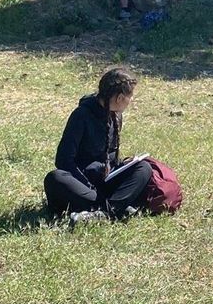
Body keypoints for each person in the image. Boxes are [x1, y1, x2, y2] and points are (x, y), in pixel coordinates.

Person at [43, 67, 154, 225]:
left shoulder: (116, 115)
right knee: (55, 178)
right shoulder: (81, 116)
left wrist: (123, 165)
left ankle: (103, 213)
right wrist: (89, 185)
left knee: (144, 168)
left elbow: (109, 155)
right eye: (130, 97)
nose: (131, 101)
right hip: (83, 186)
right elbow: (64, 160)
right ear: (120, 98)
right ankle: (116, 208)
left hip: (104, 181)